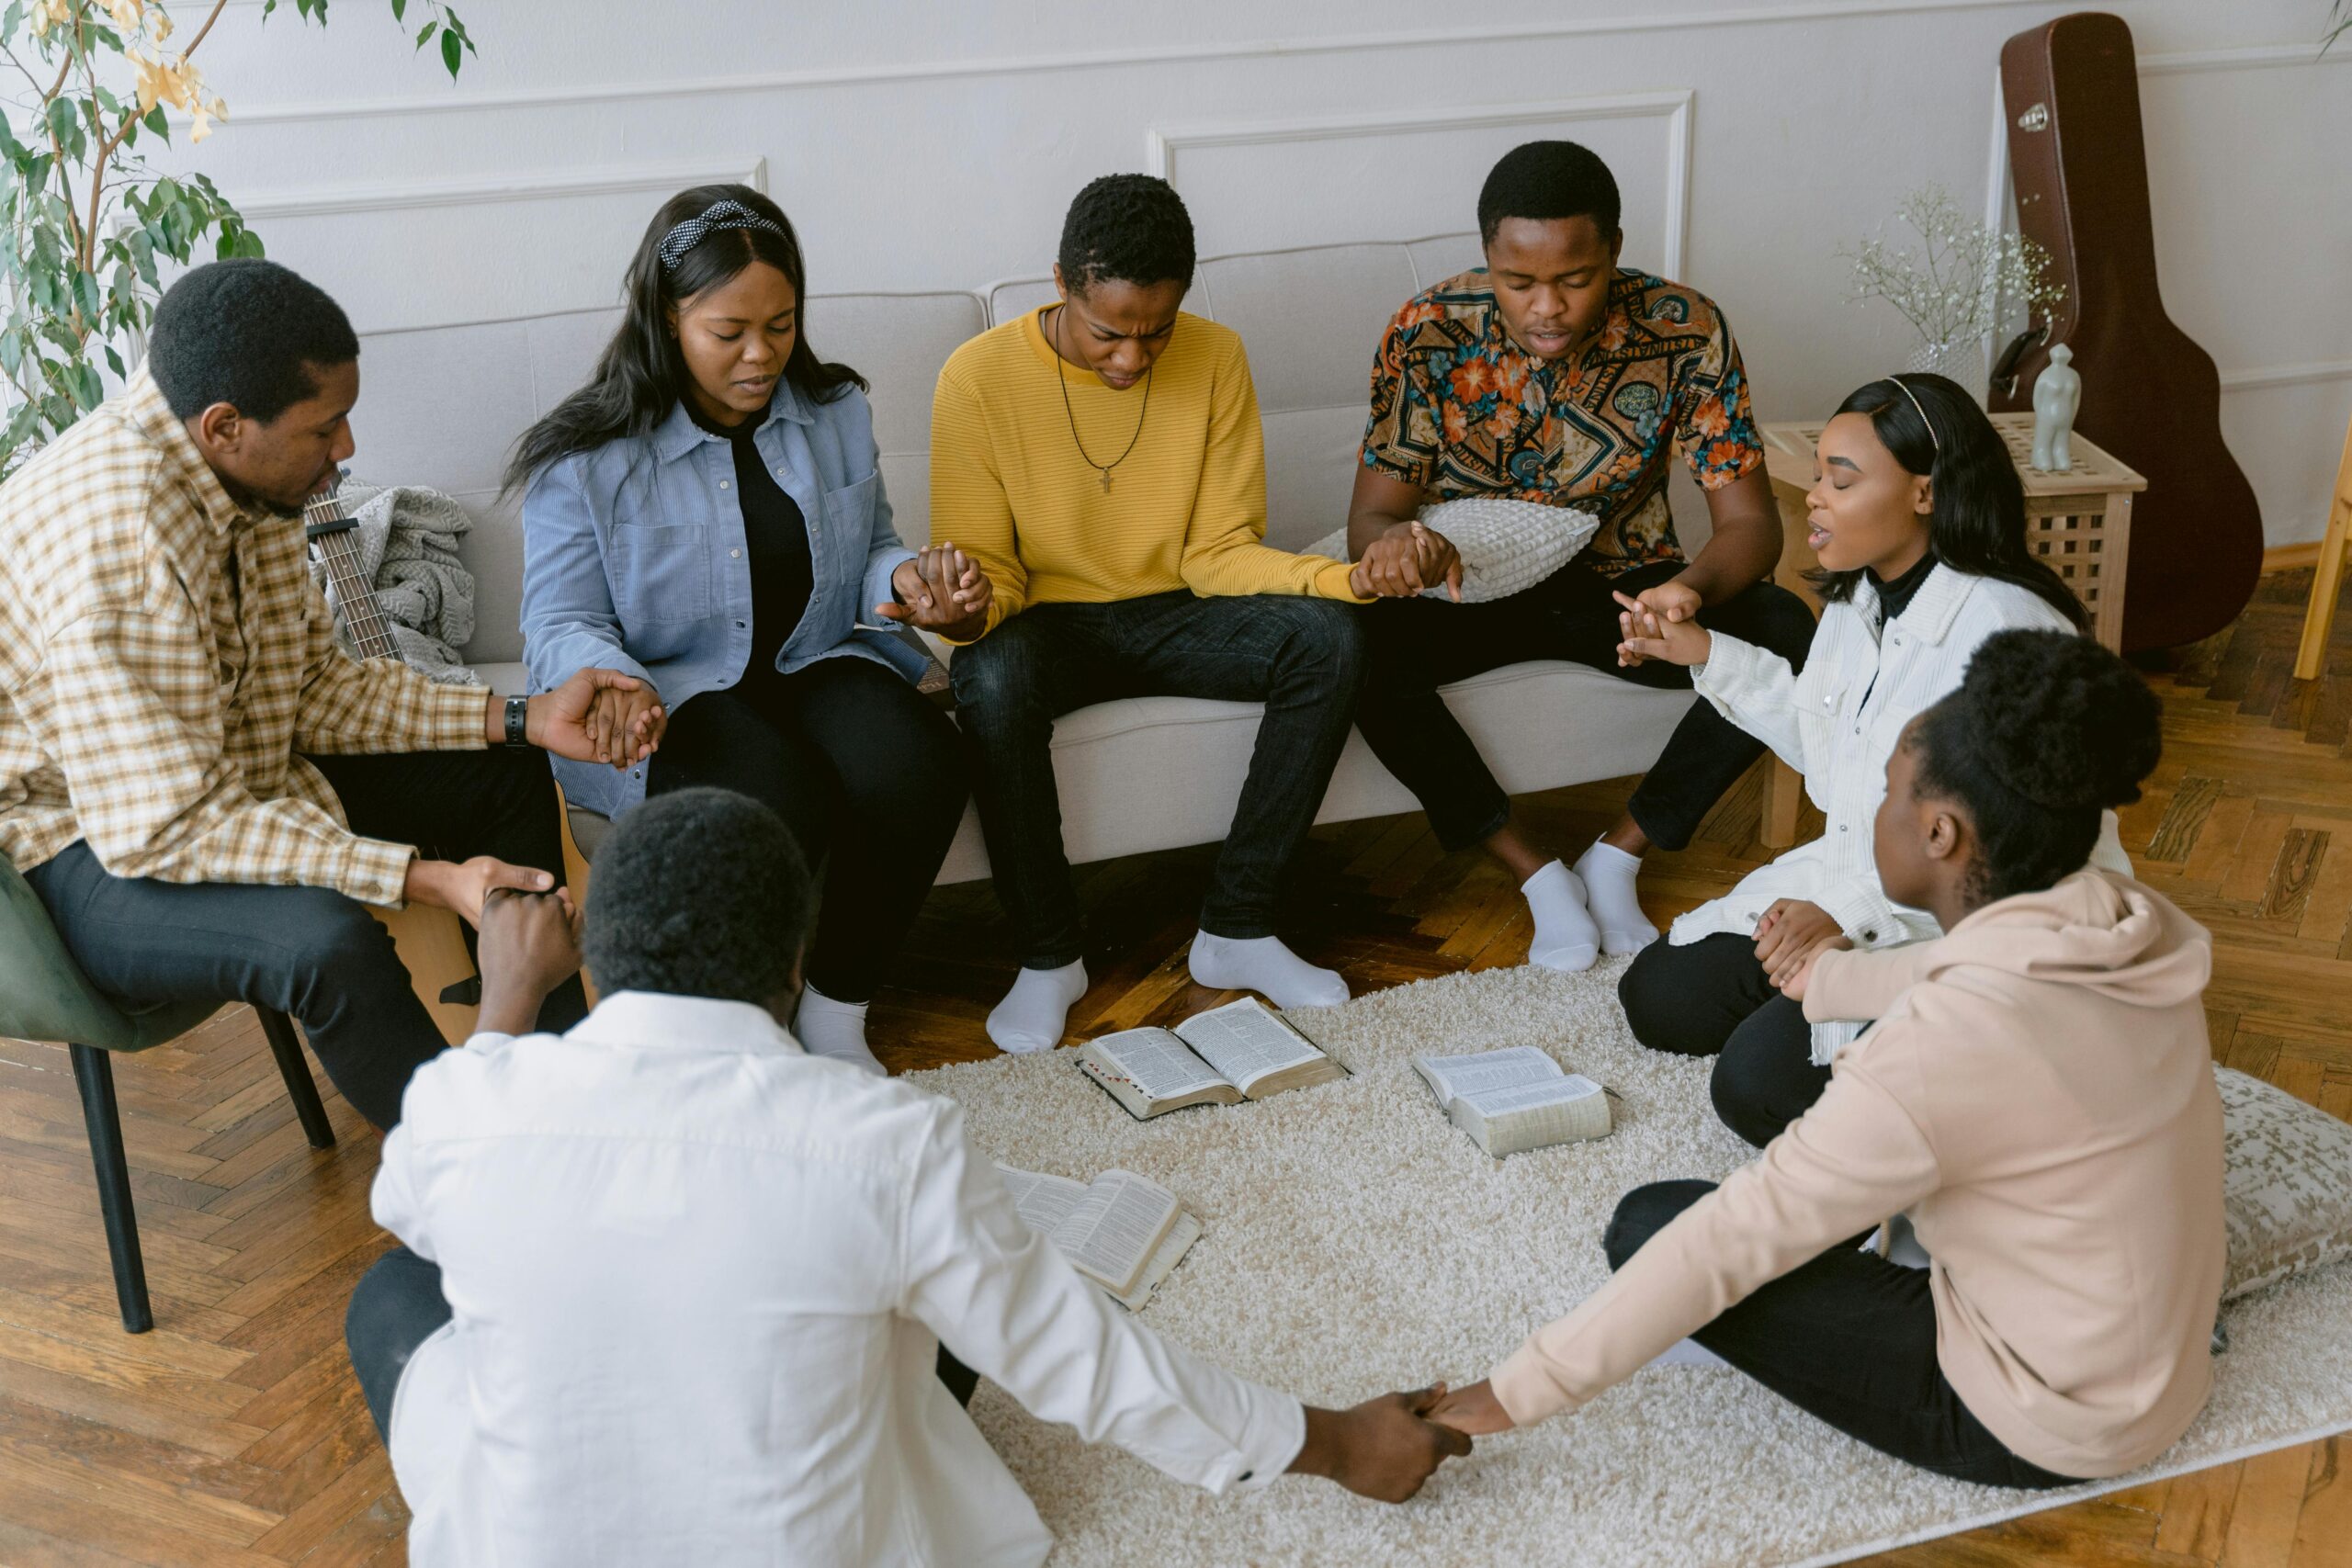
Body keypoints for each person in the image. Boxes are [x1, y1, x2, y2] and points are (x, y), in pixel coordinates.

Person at [344, 786, 1471, 1566]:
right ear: (793, 962)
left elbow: (410, 1198)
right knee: (937, 1318)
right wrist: (1340, 1443)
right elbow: (1086, 1363)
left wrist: (506, 1004)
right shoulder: (881, 1140)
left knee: (396, 1293)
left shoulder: (471, 1104)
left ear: (588, 947)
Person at [1430, 629, 2223, 1490]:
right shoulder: (2123, 919)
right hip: (2161, 1372)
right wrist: (1829, 978)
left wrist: (1501, 1395)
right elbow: (1978, 969)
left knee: (1654, 1227)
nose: (1866, 816)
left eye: (1883, 795)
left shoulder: (1936, 1048)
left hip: (2038, 1420)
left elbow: (1742, 1233)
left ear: (1940, 832)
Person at [0, 259, 650, 1131]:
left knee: (502, 770)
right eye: (325, 427)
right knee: (326, 944)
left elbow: (309, 691)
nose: (346, 450)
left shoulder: (245, 481)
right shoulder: (120, 555)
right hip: (74, 848)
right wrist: (429, 878)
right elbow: (168, 823)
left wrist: (522, 716)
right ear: (226, 426)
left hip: (208, 780)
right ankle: (465, 1181)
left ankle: (558, 1101)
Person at [514, 185, 972, 1075]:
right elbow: (562, 620)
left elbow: (871, 546)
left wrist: (908, 581)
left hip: (814, 654)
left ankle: (837, 1014)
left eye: (783, 325)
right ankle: (747, 1037)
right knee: (768, 796)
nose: (761, 356)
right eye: (729, 334)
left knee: (922, 762)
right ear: (665, 316)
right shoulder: (586, 456)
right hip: (677, 682)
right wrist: (611, 678)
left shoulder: (834, 411)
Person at [1611, 372, 2126, 1148]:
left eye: (1840, 479)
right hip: (1863, 872)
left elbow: (2002, 856)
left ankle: (1972, 1074)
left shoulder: (2012, 631)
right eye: (1818, 474)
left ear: (1925, 492)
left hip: (1986, 925)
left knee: (1754, 1085)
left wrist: (1844, 919)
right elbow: (1827, 742)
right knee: (1659, 996)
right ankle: (1810, 999)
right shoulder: (1860, 603)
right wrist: (1701, 650)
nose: (1815, 497)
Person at [1344, 140, 1816, 973]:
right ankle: (1536, 876)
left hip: (1624, 594)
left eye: (1575, 278)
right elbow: (1374, 518)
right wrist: (1400, 553)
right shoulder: (1426, 331)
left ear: (1615, 255)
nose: (1547, 309)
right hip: (1476, 585)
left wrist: (1687, 591)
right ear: (1488, 256)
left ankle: (1619, 855)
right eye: (1518, 282)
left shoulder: (1687, 331)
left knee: (1780, 623)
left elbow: (1752, 525)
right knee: (1350, 645)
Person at [933, 174, 1377, 1053]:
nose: (1133, 358)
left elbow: (1218, 552)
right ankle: (1049, 955)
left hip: (1182, 605)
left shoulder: (1217, 357)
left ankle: (1239, 927)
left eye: (1156, 330)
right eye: (1109, 332)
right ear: (1060, 283)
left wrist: (1345, 581)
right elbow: (992, 574)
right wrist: (963, 613)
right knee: (991, 673)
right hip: (1048, 621)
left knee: (1329, 639)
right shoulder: (978, 378)